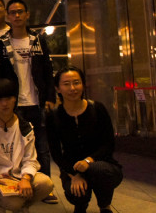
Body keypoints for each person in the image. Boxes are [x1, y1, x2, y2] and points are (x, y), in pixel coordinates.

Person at [0, 0, 56, 202]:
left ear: (27, 14)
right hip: (13, 103)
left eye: (20, 11)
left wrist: (50, 97)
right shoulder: (1, 42)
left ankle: (46, 187)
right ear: (8, 16)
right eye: (12, 12)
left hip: (36, 101)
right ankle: (15, 183)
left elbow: (47, 70)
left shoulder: (38, 40)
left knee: (42, 145)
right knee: (15, 146)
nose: (17, 15)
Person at [46, 67, 122, 213]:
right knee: (76, 192)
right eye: (66, 84)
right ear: (58, 88)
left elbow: (108, 144)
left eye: (76, 83)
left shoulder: (97, 108)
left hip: (101, 165)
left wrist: (88, 161)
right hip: (72, 167)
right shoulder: (53, 116)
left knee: (99, 170)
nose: (72, 88)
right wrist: (74, 175)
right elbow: (56, 153)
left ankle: (104, 205)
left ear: (83, 84)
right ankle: (80, 204)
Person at [0, 79, 53, 213]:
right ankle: (13, 205)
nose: (4, 103)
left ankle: (15, 205)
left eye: (8, 98)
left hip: (19, 175)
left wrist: (26, 179)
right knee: (14, 203)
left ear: (15, 99)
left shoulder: (25, 127)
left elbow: (30, 159)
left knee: (46, 184)